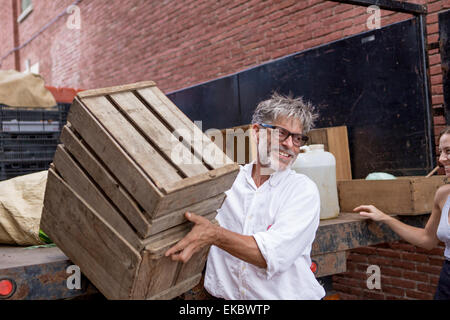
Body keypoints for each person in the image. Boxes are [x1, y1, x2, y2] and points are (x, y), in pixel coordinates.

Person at [165, 92, 326, 300]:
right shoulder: (227, 184)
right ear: (257, 132)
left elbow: (269, 255)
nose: (290, 145)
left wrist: (214, 234)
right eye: (282, 133)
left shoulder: (302, 191)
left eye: (297, 138)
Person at [354, 127, 450, 300]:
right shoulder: (443, 195)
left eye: (448, 151)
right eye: (441, 152)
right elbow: (427, 239)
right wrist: (384, 217)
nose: (442, 159)